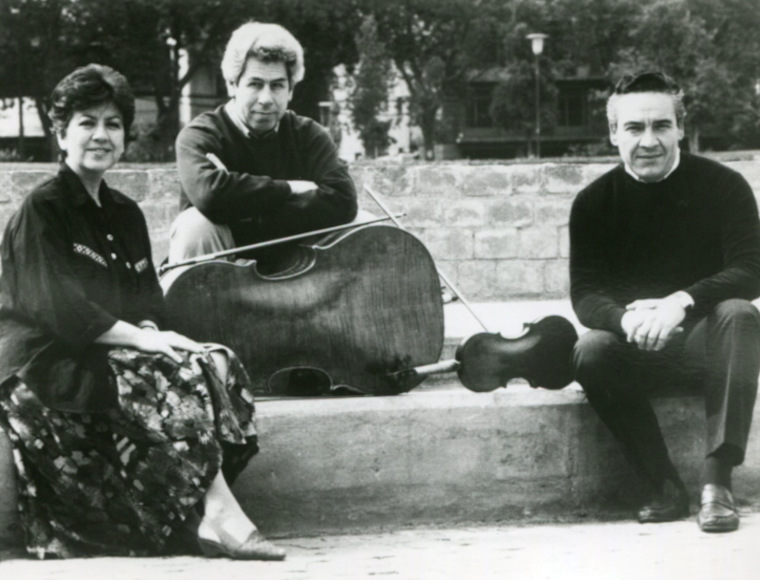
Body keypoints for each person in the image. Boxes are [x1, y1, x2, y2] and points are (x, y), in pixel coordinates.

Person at [0, 64, 285, 560]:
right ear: (61, 132)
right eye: (87, 122)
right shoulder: (42, 209)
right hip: (45, 363)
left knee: (215, 361)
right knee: (166, 372)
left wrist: (153, 329)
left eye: (113, 124)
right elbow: (59, 309)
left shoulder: (125, 212)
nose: (101, 135)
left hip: (105, 351)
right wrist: (143, 340)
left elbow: (146, 298)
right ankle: (221, 517)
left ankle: (193, 509)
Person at [569, 71, 760, 533]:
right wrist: (625, 321)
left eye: (661, 126)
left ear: (681, 128)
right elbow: (586, 294)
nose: (649, 141)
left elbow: (750, 270)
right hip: (636, 348)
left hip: (706, 347)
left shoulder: (724, 186)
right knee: (589, 349)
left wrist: (682, 301)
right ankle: (663, 484)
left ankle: (717, 482)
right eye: (634, 128)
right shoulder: (593, 202)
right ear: (614, 133)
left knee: (740, 314)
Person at [168, 21, 358, 266]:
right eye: (255, 84)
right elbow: (210, 196)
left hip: (294, 261)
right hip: (224, 265)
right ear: (232, 85)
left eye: (277, 85)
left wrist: (243, 201)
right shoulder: (201, 135)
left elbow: (343, 200)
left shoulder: (309, 134)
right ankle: (198, 293)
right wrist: (289, 188)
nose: (266, 99)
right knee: (195, 225)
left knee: (361, 222)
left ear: (290, 90)